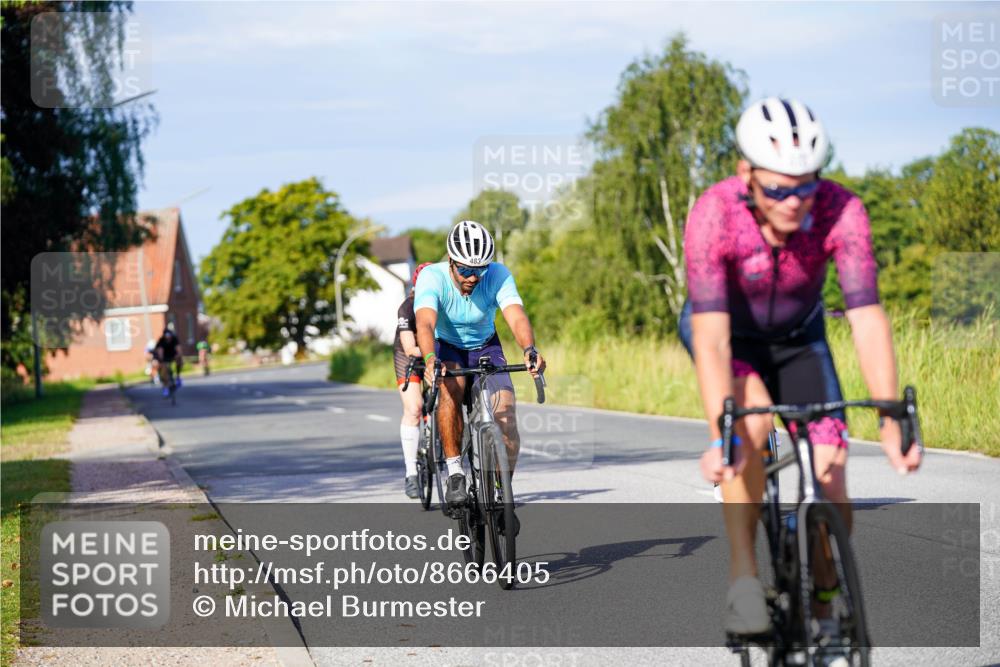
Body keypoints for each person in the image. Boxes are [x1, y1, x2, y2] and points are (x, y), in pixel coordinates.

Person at [679, 98, 922, 636]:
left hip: (798, 338)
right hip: (728, 333)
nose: (795, 201)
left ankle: (826, 604)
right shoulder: (715, 212)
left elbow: (865, 315)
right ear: (746, 174)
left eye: (806, 185)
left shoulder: (841, 209)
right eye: (779, 189)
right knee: (752, 429)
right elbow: (713, 341)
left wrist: (889, 418)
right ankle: (744, 580)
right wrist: (723, 432)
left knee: (832, 478)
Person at [414, 220, 546, 524]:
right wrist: (431, 358)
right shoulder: (432, 278)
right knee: (450, 391)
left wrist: (529, 350)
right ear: (450, 261)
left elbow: (516, 316)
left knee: (506, 414)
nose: (474, 277)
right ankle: (456, 472)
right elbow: (425, 323)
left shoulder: (497, 274)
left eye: (480, 270)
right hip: (448, 348)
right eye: (466, 270)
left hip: (487, 347)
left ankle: (502, 492)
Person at [394, 261, 433, 499]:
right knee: (415, 408)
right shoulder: (407, 308)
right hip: (409, 355)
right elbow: (410, 347)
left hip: (434, 353)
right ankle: (411, 472)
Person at [154, 327, 184, 396]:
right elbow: (160, 350)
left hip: (173, 355)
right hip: (164, 357)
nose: (168, 337)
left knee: (180, 360)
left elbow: (178, 349)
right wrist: (161, 359)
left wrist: (178, 355)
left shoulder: (174, 339)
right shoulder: (161, 341)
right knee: (164, 371)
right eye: (166, 335)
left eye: (169, 335)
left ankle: (178, 376)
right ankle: (165, 388)